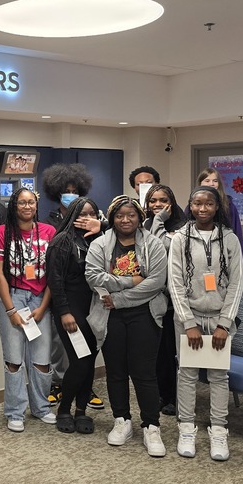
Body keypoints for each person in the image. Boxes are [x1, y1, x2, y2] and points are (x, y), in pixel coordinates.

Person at [85, 195, 169, 456]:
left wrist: (119, 297)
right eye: (120, 215)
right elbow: (92, 276)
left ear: (140, 217)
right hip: (110, 317)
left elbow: (155, 282)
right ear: (111, 218)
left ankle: (151, 425)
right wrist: (130, 281)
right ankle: (122, 420)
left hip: (144, 313)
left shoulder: (154, 244)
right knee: (116, 371)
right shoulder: (99, 244)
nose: (125, 220)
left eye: (131, 215)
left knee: (144, 372)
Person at [169, 186, 243, 461]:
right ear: (190, 206)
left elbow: (237, 284)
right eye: (197, 204)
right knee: (187, 374)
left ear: (217, 207)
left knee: (218, 376)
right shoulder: (180, 238)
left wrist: (225, 324)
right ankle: (186, 427)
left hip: (219, 320)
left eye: (208, 204)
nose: (203, 209)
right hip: (189, 319)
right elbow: (175, 282)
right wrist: (188, 322)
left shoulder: (230, 239)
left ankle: (219, 430)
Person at [0, 187, 57, 431]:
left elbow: (53, 274)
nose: (27, 207)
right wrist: (10, 310)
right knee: (14, 359)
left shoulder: (49, 232)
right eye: (21, 203)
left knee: (41, 359)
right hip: (13, 297)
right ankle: (15, 411)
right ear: (14, 206)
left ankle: (41, 408)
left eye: (31, 203)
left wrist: (44, 306)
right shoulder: (1, 233)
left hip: (41, 299)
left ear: (36, 205)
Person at [39, 162, 104, 410]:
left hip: (95, 310)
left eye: (91, 214)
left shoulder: (100, 239)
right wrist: (64, 311)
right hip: (69, 309)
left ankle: (81, 408)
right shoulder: (60, 241)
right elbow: (55, 280)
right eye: (81, 214)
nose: (86, 218)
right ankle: (66, 407)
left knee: (87, 360)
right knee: (78, 359)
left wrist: (102, 227)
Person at [143, 183, 188, 417]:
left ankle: (176, 397)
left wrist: (159, 220)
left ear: (172, 202)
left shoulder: (182, 227)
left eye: (162, 200)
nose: (157, 205)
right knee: (158, 351)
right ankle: (162, 393)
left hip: (175, 299)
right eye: (152, 201)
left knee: (174, 351)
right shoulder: (145, 225)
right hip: (152, 297)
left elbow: (160, 248)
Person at [194, 167, 243, 264]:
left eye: (215, 181)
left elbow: (237, 233)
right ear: (200, 183)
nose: (211, 184)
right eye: (207, 180)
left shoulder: (229, 205)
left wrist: (241, 260)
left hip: (223, 253)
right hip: (197, 255)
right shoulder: (193, 205)